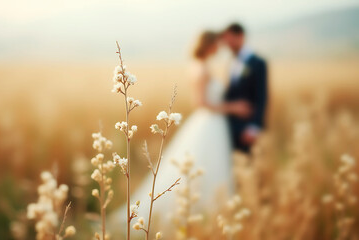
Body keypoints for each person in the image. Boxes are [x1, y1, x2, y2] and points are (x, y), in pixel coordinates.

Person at [111, 31, 251, 225]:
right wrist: (233, 107)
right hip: (209, 122)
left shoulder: (202, 65)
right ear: (209, 45)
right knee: (204, 163)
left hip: (213, 123)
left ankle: (210, 211)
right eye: (216, 44)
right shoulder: (202, 69)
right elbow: (201, 102)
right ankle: (200, 211)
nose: (219, 48)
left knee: (209, 164)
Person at [222, 23, 268, 153]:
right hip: (229, 127)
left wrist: (254, 127)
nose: (228, 45)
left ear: (241, 36)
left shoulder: (258, 63)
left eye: (230, 40)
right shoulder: (230, 61)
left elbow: (262, 95)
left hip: (247, 128)